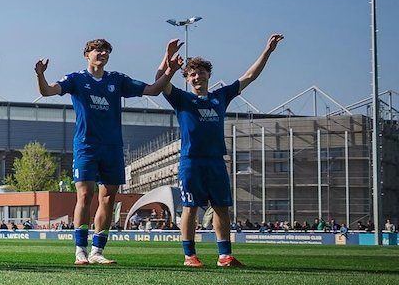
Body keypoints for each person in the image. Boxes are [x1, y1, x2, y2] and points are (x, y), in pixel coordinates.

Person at [36, 37, 176, 265]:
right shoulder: (76, 79)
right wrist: (40, 75)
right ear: (87, 54)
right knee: (85, 194)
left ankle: (97, 251)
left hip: (112, 147)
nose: (102, 54)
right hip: (86, 145)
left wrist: (169, 68)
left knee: (109, 198)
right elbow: (47, 91)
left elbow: (152, 90)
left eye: (106, 51)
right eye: (97, 50)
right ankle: (80, 250)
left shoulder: (117, 80)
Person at [162, 34, 281, 267]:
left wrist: (268, 50)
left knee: (221, 207)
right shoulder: (181, 99)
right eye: (192, 74)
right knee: (190, 207)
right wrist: (169, 61)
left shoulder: (220, 97)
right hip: (191, 161)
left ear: (209, 76)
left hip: (216, 161)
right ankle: (189, 256)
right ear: (187, 79)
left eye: (201, 72)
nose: (197, 76)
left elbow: (249, 76)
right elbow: (161, 83)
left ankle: (224, 255)